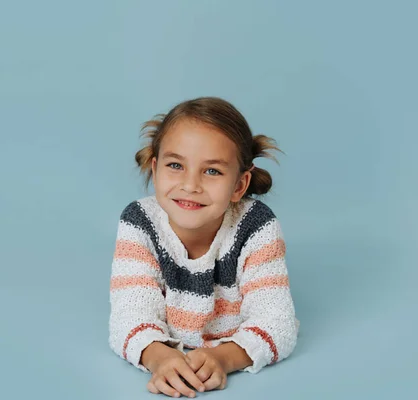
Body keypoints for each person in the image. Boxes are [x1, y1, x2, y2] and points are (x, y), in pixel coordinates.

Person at [108, 97, 300, 398]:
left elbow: (278, 323)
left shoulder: (256, 226)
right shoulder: (139, 222)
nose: (190, 185)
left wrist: (224, 359)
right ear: (155, 169)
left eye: (212, 171)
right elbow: (129, 316)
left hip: (230, 349)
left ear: (239, 185)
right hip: (167, 351)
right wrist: (160, 358)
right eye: (175, 165)